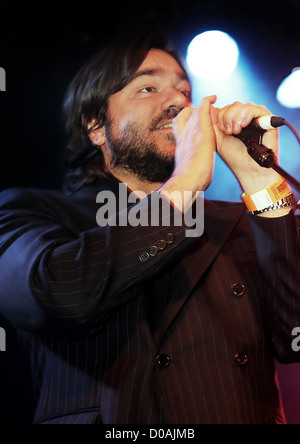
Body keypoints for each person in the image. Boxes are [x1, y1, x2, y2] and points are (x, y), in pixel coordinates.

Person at [0, 30, 299, 425]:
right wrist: (184, 183)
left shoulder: (239, 220)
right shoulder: (33, 211)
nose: (177, 99)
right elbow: (53, 295)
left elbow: (293, 339)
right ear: (95, 125)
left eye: (184, 89)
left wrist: (260, 183)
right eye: (147, 88)